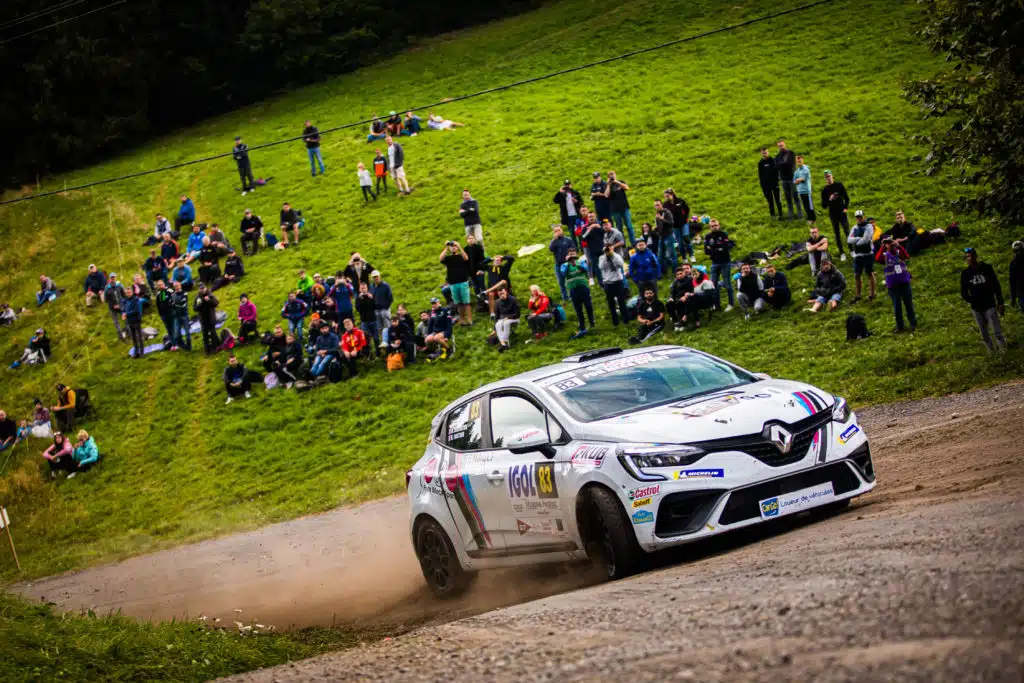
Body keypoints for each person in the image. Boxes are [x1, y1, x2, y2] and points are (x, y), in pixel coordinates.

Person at [960, 248, 1006, 353]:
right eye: (967, 257)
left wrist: (1000, 302)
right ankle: (991, 352)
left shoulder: (987, 268)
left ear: (975, 256)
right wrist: (972, 300)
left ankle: (1003, 350)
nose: (969, 259)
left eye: (970, 256)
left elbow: (996, 285)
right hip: (977, 308)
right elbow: (963, 291)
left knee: (997, 331)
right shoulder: (965, 273)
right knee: (984, 333)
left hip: (990, 304)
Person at [875, 238, 917, 333]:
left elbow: (906, 256)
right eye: (889, 244)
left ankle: (913, 323)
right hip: (893, 285)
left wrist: (899, 246)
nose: (891, 245)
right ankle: (900, 326)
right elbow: (877, 258)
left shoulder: (899, 252)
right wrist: (883, 246)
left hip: (904, 282)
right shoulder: (885, 255)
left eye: (891, 243)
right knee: (897, 306)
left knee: (909, 305)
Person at [560, 248, 594, 339]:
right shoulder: (564, 265)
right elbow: (563, 273)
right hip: (573, 290)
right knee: (578, 309)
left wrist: (577, 265)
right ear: (567, 255)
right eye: (570, 254)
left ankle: (591, 322)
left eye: (573, 254)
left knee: (588, 306)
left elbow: (585, 269)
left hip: (583, 287)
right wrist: (568, 263)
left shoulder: (581, 262)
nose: (572, 256)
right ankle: (582, 325)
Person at [703, 219, 735, 311]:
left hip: (725, 262)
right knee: (714, 284)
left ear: (719, 225)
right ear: (710, 227)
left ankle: (731, 304)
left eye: (716, 225)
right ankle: (716, 305)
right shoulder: (708, 236)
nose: (714, 227)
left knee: (727, 284)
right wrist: (717, 248)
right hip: (714, 263)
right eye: (712, 226)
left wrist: (712, 248)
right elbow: (706, 251)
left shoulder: (724, 234)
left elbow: (725, 248)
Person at [440, 240, 473, 326]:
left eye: (454, 246)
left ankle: (470, 320)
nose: (453, 248)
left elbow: (466, 258)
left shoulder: (461, 256)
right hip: (453, 283)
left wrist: (459, 246)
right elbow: (441, 258)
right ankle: (462, 320)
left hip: (463, 282)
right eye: (452, 247)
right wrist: (446, 247)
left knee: (466, 303)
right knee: (459, 303)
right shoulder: (448, 258)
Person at [821, 171, 851, 259]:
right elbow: (823, 205)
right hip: (833, 214)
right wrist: (829, 199)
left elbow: (847, 198)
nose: (828, 178)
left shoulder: (839, 185)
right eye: (826, 177)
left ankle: (852, 249)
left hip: (842, 212)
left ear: (832, 176)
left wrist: (845, 208)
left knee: (847, 231)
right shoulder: (824, 190)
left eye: (829, 176)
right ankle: (842, 253)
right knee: (837, 233)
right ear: (825, 179)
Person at [848, 210, 876, 301]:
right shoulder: (854, 227)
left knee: (869, 273)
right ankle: (858, 295)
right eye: (857, 217)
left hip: (868, 254)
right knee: (857, 275)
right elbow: (849, 240)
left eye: (860, 216)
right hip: (858, 255)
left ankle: (872, 294)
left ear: (864, 216)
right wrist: (858, 238)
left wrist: (856, 241)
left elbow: (866, 239)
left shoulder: (869, 226)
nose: (859, 218)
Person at [601, 171, 633, 244]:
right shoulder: (607, 185)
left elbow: (627, 188)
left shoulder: (620, 182)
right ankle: (622, 243)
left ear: (615, 175)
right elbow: (606, 195)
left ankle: (633, 242)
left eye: (613, 175)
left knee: (629, 226)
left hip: (624, 207)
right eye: (610, 176)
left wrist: (617, 182)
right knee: (619, 227)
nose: (612, 177)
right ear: (608, 177)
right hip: (615, 210)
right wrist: (608, 185)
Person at [663, 189, 693, 262]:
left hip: (683, 223)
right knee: (680, 242)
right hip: (675, 227)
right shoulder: (665, 205)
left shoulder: (680, 201)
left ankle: (691, 255)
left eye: (668, 196)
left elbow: (687, 209)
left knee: (686, 237)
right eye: (665, 196)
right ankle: (684, 258)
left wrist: (686, 218)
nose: (667, 197)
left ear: (672, 194)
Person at [775, 140, 800, 220]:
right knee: (788, 198)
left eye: (782, 145)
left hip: (792, 178)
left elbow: (790, 165)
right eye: (779, 146)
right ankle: (791, 215)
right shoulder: (777, 156)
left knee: (795, 196)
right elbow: (776, 167)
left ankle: (800, 215)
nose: (781, 147)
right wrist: (784, 164)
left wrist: (782, 165)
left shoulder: (791, 153)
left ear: (785, 145)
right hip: (783, 180)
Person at [553, 180, 583, 247]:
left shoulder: (575, 193)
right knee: (572, 234)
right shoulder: (562, 194)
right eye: (566, 185)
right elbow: (555, 200)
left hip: (577, 216)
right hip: (568, 217)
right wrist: (559, 192)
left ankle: (582, 248)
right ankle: (575, 249)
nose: (567, 186)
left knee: (580, 232)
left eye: (568, 185)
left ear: (571, 185)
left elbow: (581, 202)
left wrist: (576, 201)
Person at [666, 265, 696, 330]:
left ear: (684, 273)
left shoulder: (690, 279)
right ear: (676, 276)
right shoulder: (675, 282)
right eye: (678, 274)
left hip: (688, 297)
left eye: (681, 273)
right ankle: (675, 320)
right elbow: (672, 292)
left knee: (682, 302)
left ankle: (683, 322)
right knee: (669, 303)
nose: (679, 275)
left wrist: (686, 296)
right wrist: (671, 298)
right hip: (677, 298)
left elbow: (693, 290)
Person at [549, 226, 574, 300]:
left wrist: (570, 256)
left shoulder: (568, 239)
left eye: (558, 230)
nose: (557, 232)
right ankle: (565, 297)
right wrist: (554, 239)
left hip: (568, 263)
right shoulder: (554, 241)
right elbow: (551, 249)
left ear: (562, 230)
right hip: (558, 264)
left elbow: (573, 249)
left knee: (570, 280)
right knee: (561, 282)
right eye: (555, 231)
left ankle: (572, 295)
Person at [193, 284, 220, 353]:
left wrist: (209, 300)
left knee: (213, 333)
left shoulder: (210, 295)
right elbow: (195, 308)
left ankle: (215, 347)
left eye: (203, 288)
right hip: (203, 319)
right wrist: (199, 304)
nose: (202, 290)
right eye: (201, 289)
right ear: (199, 289)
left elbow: (216, 303)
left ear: (205, 288)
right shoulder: (197, 297)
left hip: (211, 318)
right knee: (205, 335)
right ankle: (207, 349)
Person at [579, 215, 605, 286]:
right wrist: (589, 230)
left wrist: (599, 227)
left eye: (592, 216)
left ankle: (607, 280)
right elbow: (583, 238)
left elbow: (605, 233)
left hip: (602, 249)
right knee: (597, 267)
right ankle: (601, 283)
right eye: (590, 217)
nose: (591, 218)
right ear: (587, 218)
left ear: (595, 217)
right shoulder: (585, 227)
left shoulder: (600, 225)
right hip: (592, 251)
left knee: (605, 264)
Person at [757, 147, 783, 219]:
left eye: (765, 152)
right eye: (763, 153)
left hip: (775, 184)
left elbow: (777, 171)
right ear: (761, 154)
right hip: (766, 185)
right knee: (770, 201)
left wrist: (777, 180)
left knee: (778, 200)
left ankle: (781, 214)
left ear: (768, 152)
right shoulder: (760, 163)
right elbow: (760, 175)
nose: (764, 154)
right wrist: (762, 185)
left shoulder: (773, 160)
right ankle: (772, 215)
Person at [493, 286, 520, 352]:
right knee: (497, 325)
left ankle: (505, 342)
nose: (502, 295)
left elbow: (517, 313)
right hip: (502, 319)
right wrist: (494, 329)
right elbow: (497, 316)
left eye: (503, 293)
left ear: (506, 292)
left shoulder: (513, 299)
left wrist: (509, 317)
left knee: (506, 323)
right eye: (500, 294)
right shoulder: (497, 302)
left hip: (514, 318)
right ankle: (504, 344)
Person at [654, 200, 677, 274]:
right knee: (660, 256)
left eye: (658, 205)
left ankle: (675, 271)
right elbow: (659, 225)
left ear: (661, 205)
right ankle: (663, 272)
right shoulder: (657, 214)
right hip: (661, 236)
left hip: (668, 236)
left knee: (672, 255)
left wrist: (662, 219)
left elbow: (672, 223)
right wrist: (656, 229)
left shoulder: (667, 212)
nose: (657, 206)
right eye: (655, 205)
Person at [792, 154, 816, 225]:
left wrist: (798, 180)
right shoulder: (796, 171)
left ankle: (813, 218)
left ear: (803, 160)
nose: (799, 162)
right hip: (801, 191)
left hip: (807, 191)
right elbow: (794, 181)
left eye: (800, 160)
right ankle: (809, 217)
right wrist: (796, 181)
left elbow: (803, 178)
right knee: (805, 206)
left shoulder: (806, 169)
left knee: (810, 206)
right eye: (797, 161)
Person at [103, 273, 126, 339]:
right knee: (116, 322)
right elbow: (106, 299)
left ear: (115, 278)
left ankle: (128, 331)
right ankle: (121, 336)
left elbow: (124, 295)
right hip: (112, 308)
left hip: (121, 305)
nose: (113, 279)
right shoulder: (107, 288)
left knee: (125, 318)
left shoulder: (119, 285)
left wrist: (121, 304)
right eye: (111, 278)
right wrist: (113, 305)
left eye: (114, 277)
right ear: (109, 279)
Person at [370, 270, 393, 338]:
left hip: (384, 310)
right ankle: (383, 340)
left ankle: (391, 339)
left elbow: (390, 298)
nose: (375, 278)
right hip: (376, 310)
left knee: (388, 326)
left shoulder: (385, 285)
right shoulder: (371, 287)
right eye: (374, 277)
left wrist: (386, 307)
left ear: (379, 276)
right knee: (379, 328)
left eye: (376, 276)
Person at [169, 281, 192, 351]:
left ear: (180, 286)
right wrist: (172, 307)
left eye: (177, 286)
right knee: (176, 334)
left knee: (187, 332)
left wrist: (174, 305)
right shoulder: (171, 294)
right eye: (175, 286)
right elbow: (168, 304)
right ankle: (181, 345)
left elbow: (183, 304)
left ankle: (188, 347)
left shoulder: (184, 293)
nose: (176, 287)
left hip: (183, 315)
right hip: (174, 316)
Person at [1010, 241, 1024, 313]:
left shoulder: (1013, 263)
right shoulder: (1013, 263)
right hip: (1021, 292)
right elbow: (1012, 281)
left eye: (1020, 250)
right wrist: (1013, 297)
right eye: (1016, 251)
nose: (1018, 252)